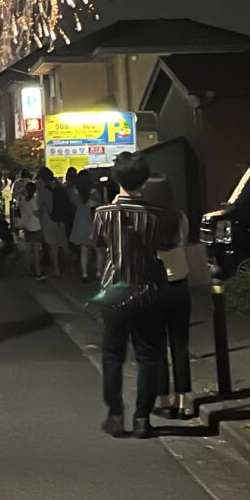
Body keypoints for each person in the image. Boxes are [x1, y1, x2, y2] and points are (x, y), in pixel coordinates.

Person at [90, 153, 179, 438]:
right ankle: (143, 418)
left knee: (113, 355)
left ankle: (116, 414)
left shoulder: (104, 213)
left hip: (115, 292)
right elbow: (167, 245)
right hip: (148, 292)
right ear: (144, 179)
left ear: (116, 179)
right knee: (149, 356)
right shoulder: (157, 215)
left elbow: (99, 244)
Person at [144, 175, 195, 420]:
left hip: (154, 288)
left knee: (157, 347)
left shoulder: (145, 221)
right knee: (180, 344)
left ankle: (163, 401)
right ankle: (184, 402)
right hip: (180, 286)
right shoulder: (181, 217)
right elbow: (183, 245)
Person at [69, 170, 96, 281]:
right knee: (97, 249)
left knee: (83, 249)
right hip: (93, 221)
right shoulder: (94, 192)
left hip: (80, 221)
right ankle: (98, 272)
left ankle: (84, 274)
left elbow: (72, 202)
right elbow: (101, 204)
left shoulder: (74, 192)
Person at [15, 179, 44, 278]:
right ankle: (38, 272)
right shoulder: (33, 201)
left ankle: (28, 270)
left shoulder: (23, 201)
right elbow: (37, 213)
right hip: (35, 227)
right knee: (36, 251)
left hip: (26, 226)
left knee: (28, 250)